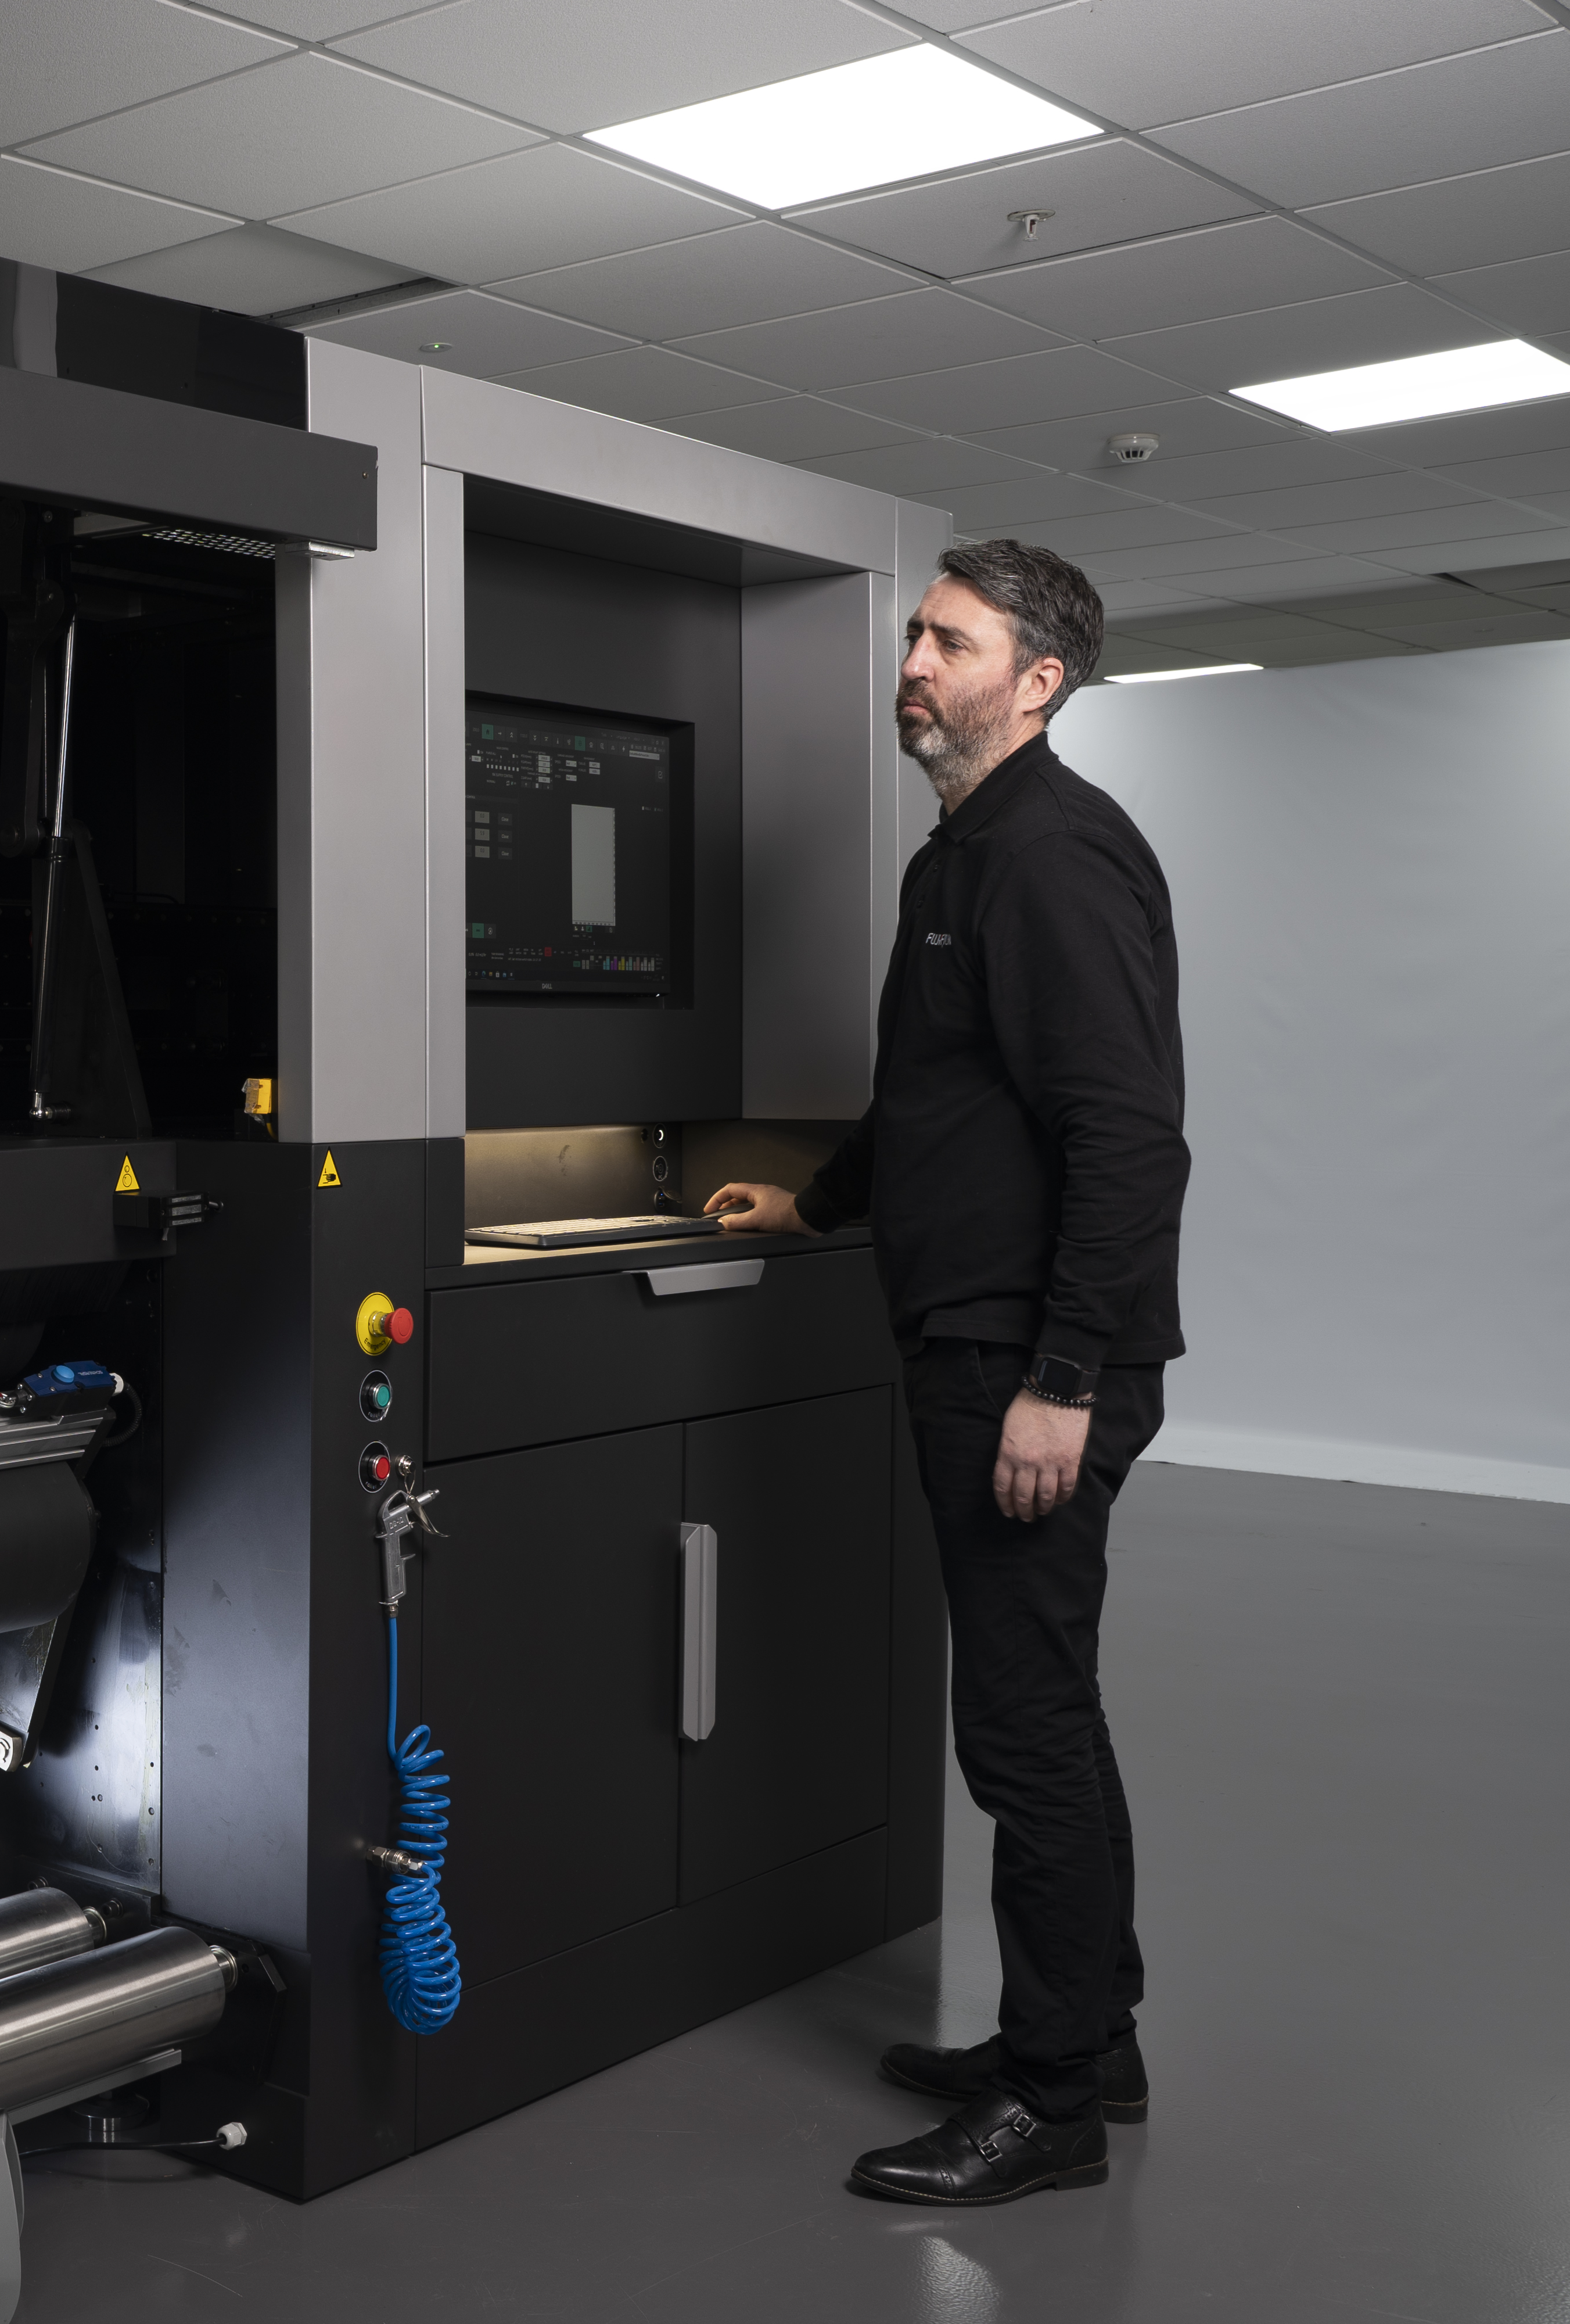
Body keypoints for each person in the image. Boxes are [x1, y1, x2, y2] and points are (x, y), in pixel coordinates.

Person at [707, 538, 1186, 2207]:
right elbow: (940, 1091)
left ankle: (1049, 2102)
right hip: (983, 1341)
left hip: (1021, 1366)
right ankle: (1091, 2034)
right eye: (913, 634)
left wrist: (1063, 1374)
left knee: (1024, 1731)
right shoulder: (963, 855)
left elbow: (1126, 1140)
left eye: (949, 641)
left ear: (1037, 682)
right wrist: (817, 1200)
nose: (910, 661)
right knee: (1043, 1715)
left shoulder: (1049, 855)